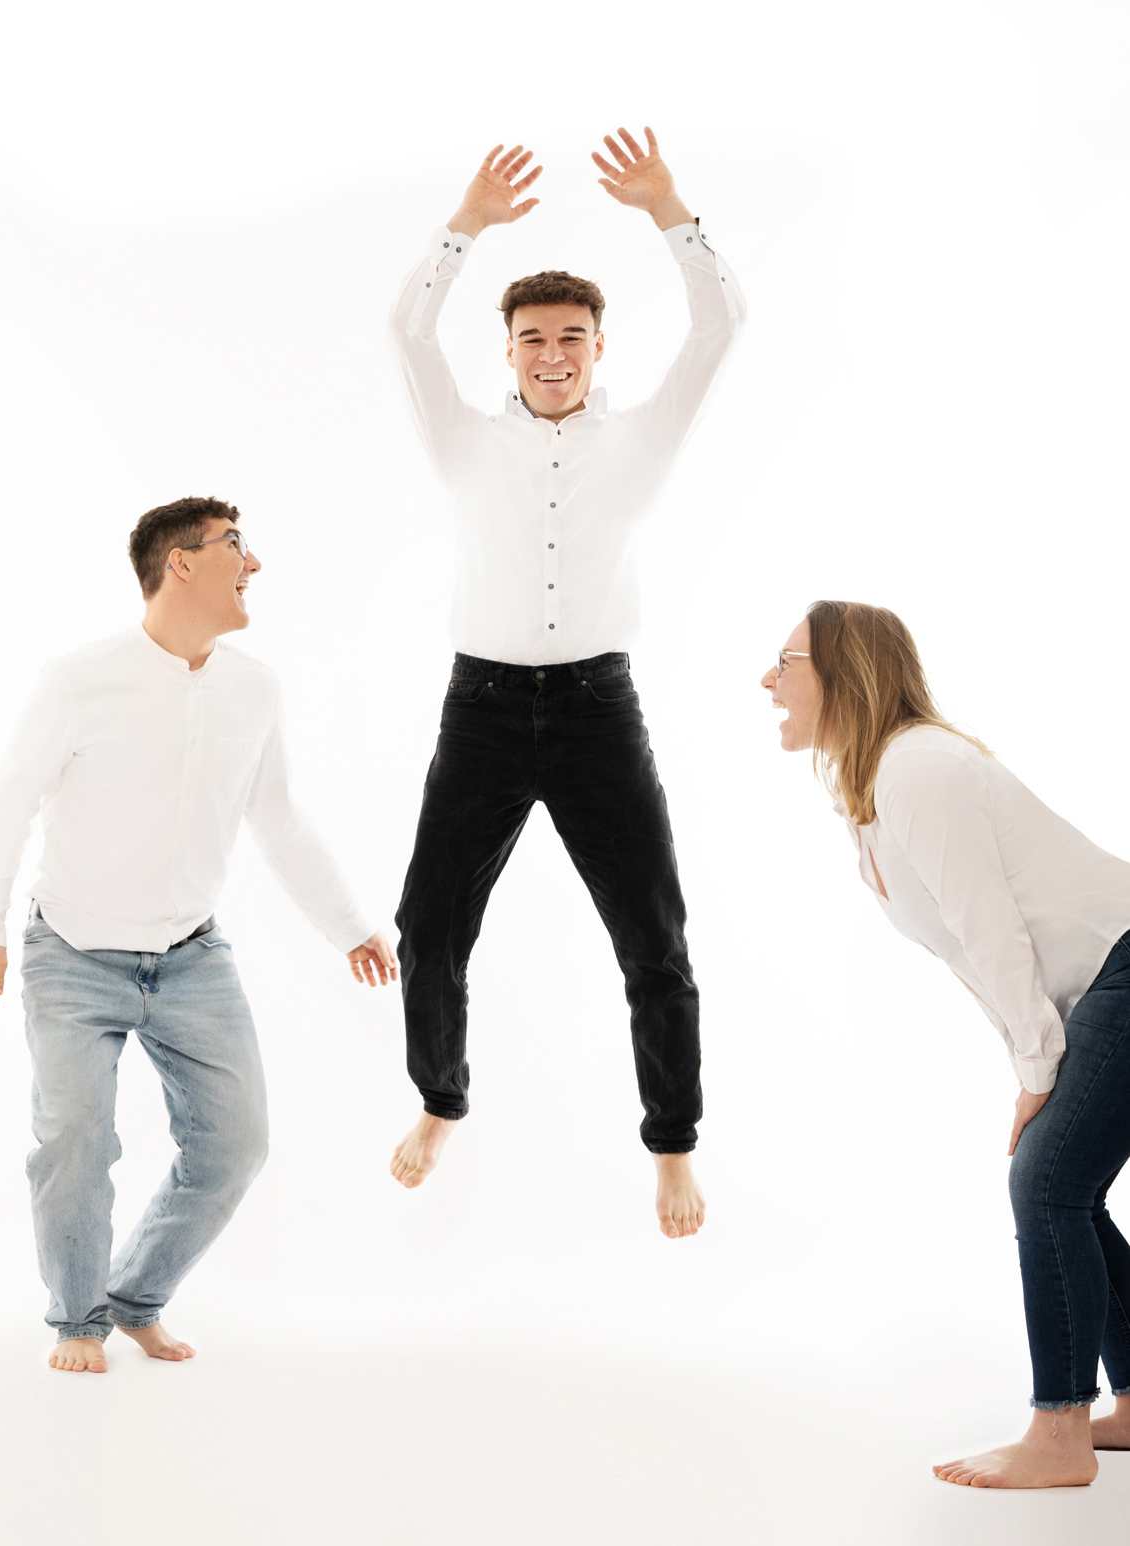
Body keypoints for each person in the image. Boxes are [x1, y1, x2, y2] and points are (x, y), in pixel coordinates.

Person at [385, 129, 745, 1236]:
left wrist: (669, 208)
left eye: (571, 338)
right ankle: (440, 1100)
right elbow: (406, 330)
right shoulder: (460, 440)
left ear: (598, 348)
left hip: (598, 711)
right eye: (533, 338)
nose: (553, 354)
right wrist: (466, 225)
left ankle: (673, 1145)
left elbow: (721, 325)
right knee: (429, 927)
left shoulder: (639, 440)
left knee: (654, 938)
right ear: (508, 351)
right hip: (482, 710)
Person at [0, 496, 396, 1376]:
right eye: (237, 545)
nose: (255, 563)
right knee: (76, 1141)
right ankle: (77, 1321)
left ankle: (134, 1298)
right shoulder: (78, 681)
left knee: (236, 1146)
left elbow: (279, 818)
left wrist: (349, 925)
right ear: (182, 564)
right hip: (72, 955)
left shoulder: (255, 688)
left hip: (193, 957)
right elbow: (5, 805)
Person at [763, 599, 1130, 1489]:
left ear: (846, 673)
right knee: (1063, 1183)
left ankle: (1059, 1435)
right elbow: (975, 953)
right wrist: (1031, 1062)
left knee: (1046, 1181)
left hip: (1122, 960)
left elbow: (990, 931)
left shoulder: (917, 768)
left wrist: (1038, 1066)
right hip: (1099, 986)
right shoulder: (873, 797)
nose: (767, 680)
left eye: (786, 662)